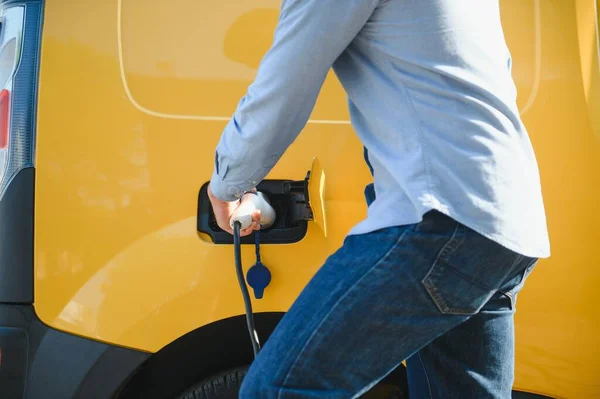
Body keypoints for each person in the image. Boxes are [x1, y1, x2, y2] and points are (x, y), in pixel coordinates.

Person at [207, 0, 550, 397]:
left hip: (441, 217)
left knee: (279, 391)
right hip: (507, 218)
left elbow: (284, 83)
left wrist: (226, 186)